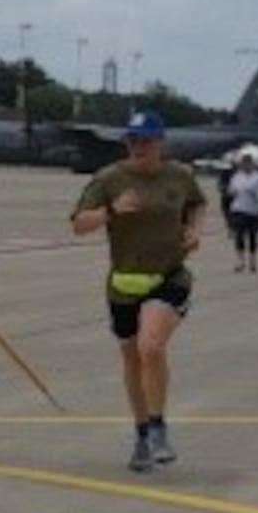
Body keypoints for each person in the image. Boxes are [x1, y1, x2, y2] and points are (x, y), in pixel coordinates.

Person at [70, 109, 207, 473]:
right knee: (132, 359)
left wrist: (194, 231)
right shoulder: (109, 179)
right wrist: (111, 212)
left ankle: (160, 428)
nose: (138, 146)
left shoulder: (178, 176)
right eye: (132, 140)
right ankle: (142, 434)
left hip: (169, 276)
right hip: (124, 282)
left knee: (151, 346)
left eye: (145, 140)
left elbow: (196, 203)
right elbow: (79, 224)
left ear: (160, 142)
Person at [225, 151, 258, 272]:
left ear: (252, 165)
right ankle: (240, 261)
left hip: (255, 212)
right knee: (239, 235)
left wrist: (256, 195)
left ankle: (252, 260)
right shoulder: (237, 177)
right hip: (239, 209)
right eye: (243, 164)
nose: (245, 166)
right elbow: (231, 191)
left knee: (253, 237)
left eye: (248, 164)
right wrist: (231, 193)